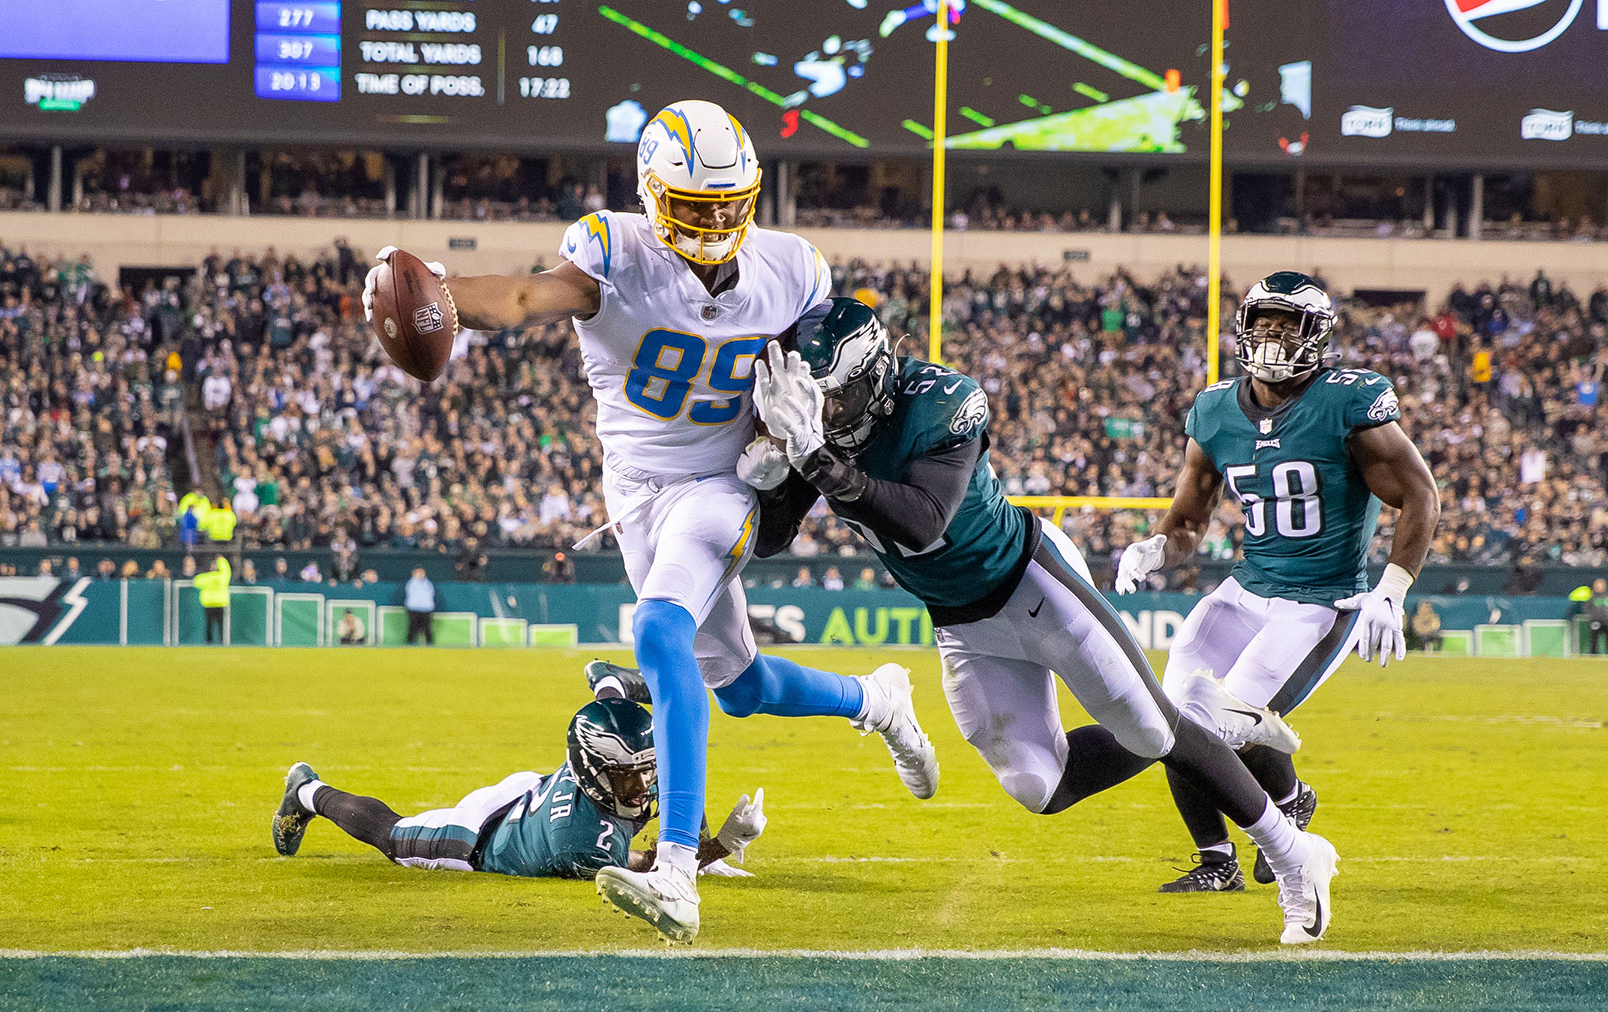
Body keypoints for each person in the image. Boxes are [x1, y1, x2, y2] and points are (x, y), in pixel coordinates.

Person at [366, 101, 934, 943]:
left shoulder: (791, 268)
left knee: (659, 634)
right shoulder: (613, 250)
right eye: (694, 205)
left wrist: (788, 442)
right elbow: (524, 295)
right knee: (735, 687)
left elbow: (823, 373)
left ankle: (673, 871)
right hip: (634, 490)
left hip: (721, 483)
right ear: (652, 195)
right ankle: (875, 699)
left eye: (726, 204)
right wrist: (446, 298)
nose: (712, 222)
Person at [745, 296, 1338, 945]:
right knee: (1039, 785)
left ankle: (1291, 852)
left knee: (1147, 726)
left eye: (833, 399)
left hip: (1030, 578)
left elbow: (921, 521)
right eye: (814, 403)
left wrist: (815, 459)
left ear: (871, 375)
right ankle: (1188, 717)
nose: (824, 415)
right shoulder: (813, 426)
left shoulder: (940, 398)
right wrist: (777, 480)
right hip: (959, 618)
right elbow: (771, 539)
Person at [1117, 272, 1440, 898]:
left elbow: (1420, 494)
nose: (1272, 334)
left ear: (1316, 334)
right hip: (1247, 588)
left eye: (1287, 324)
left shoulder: (1348, 400)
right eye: (1263, 321)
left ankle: (1289, 802)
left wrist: (1393, 588)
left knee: (1221, 722)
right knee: (1170, 717)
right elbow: (1188, 523)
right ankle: (1216, 860)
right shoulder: (1214, 410)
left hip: (1321, 601)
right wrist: (1157, 547)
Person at [272, 697, 766, 881]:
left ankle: (609, 685)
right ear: (594, 770)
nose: (641, 786)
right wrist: (720, 846)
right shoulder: (582, 843)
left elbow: (679, 773)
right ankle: (307, 792)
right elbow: (657, 869)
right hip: (479, 836)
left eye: (645, 771)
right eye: (626, 775)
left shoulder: (606, 775)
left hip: (536, 789)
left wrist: (703, 835)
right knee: (393, 835)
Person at [194, 554, 232, 644]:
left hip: (208, 603)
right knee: (221, 625)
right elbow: (227, 571)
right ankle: (222, 641)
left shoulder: (205, 577)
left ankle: (209, 641)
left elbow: (196, 582)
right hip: (220, 603)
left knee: (209, 625)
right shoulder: (222, 576)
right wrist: (221, 560)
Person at [405, 567, 436, 645]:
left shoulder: (428, 583)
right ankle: (409, 644)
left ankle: (430, 644)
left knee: (427, 628)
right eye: (418, 573)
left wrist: (430, 606)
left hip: (426, 609)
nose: (420, 574)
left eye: (422, 573)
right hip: (413, 608)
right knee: (412, 627)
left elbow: (431, 594)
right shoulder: (411, 583)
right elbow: (410, 591)